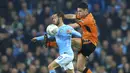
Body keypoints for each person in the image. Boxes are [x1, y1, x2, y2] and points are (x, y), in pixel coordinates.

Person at [64, 2, 98, 73]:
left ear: (86, 11)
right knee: (80, 68)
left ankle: (50, 42)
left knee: (71, 41)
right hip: (87, 42)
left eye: (80, 11)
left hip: (90, 43)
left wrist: (61, 28)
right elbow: (72, 16)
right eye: (78, 11)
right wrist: (62, 16)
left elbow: (74, 25)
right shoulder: (83, 16)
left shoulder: (88, 19)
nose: (78, 13)